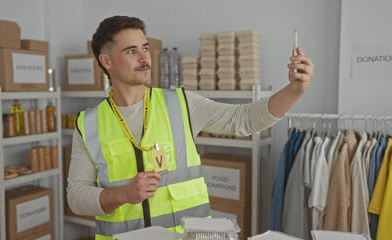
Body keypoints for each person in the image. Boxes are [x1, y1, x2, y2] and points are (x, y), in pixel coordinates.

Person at [67, 15, 314, 239]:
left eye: (145, 48)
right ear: (106, 61)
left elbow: (244, 120)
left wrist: (294, 91)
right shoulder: (88, 124)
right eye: (131, 51)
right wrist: (122, 194)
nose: (144, 59)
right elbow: (76, 198)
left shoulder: (181, 103)